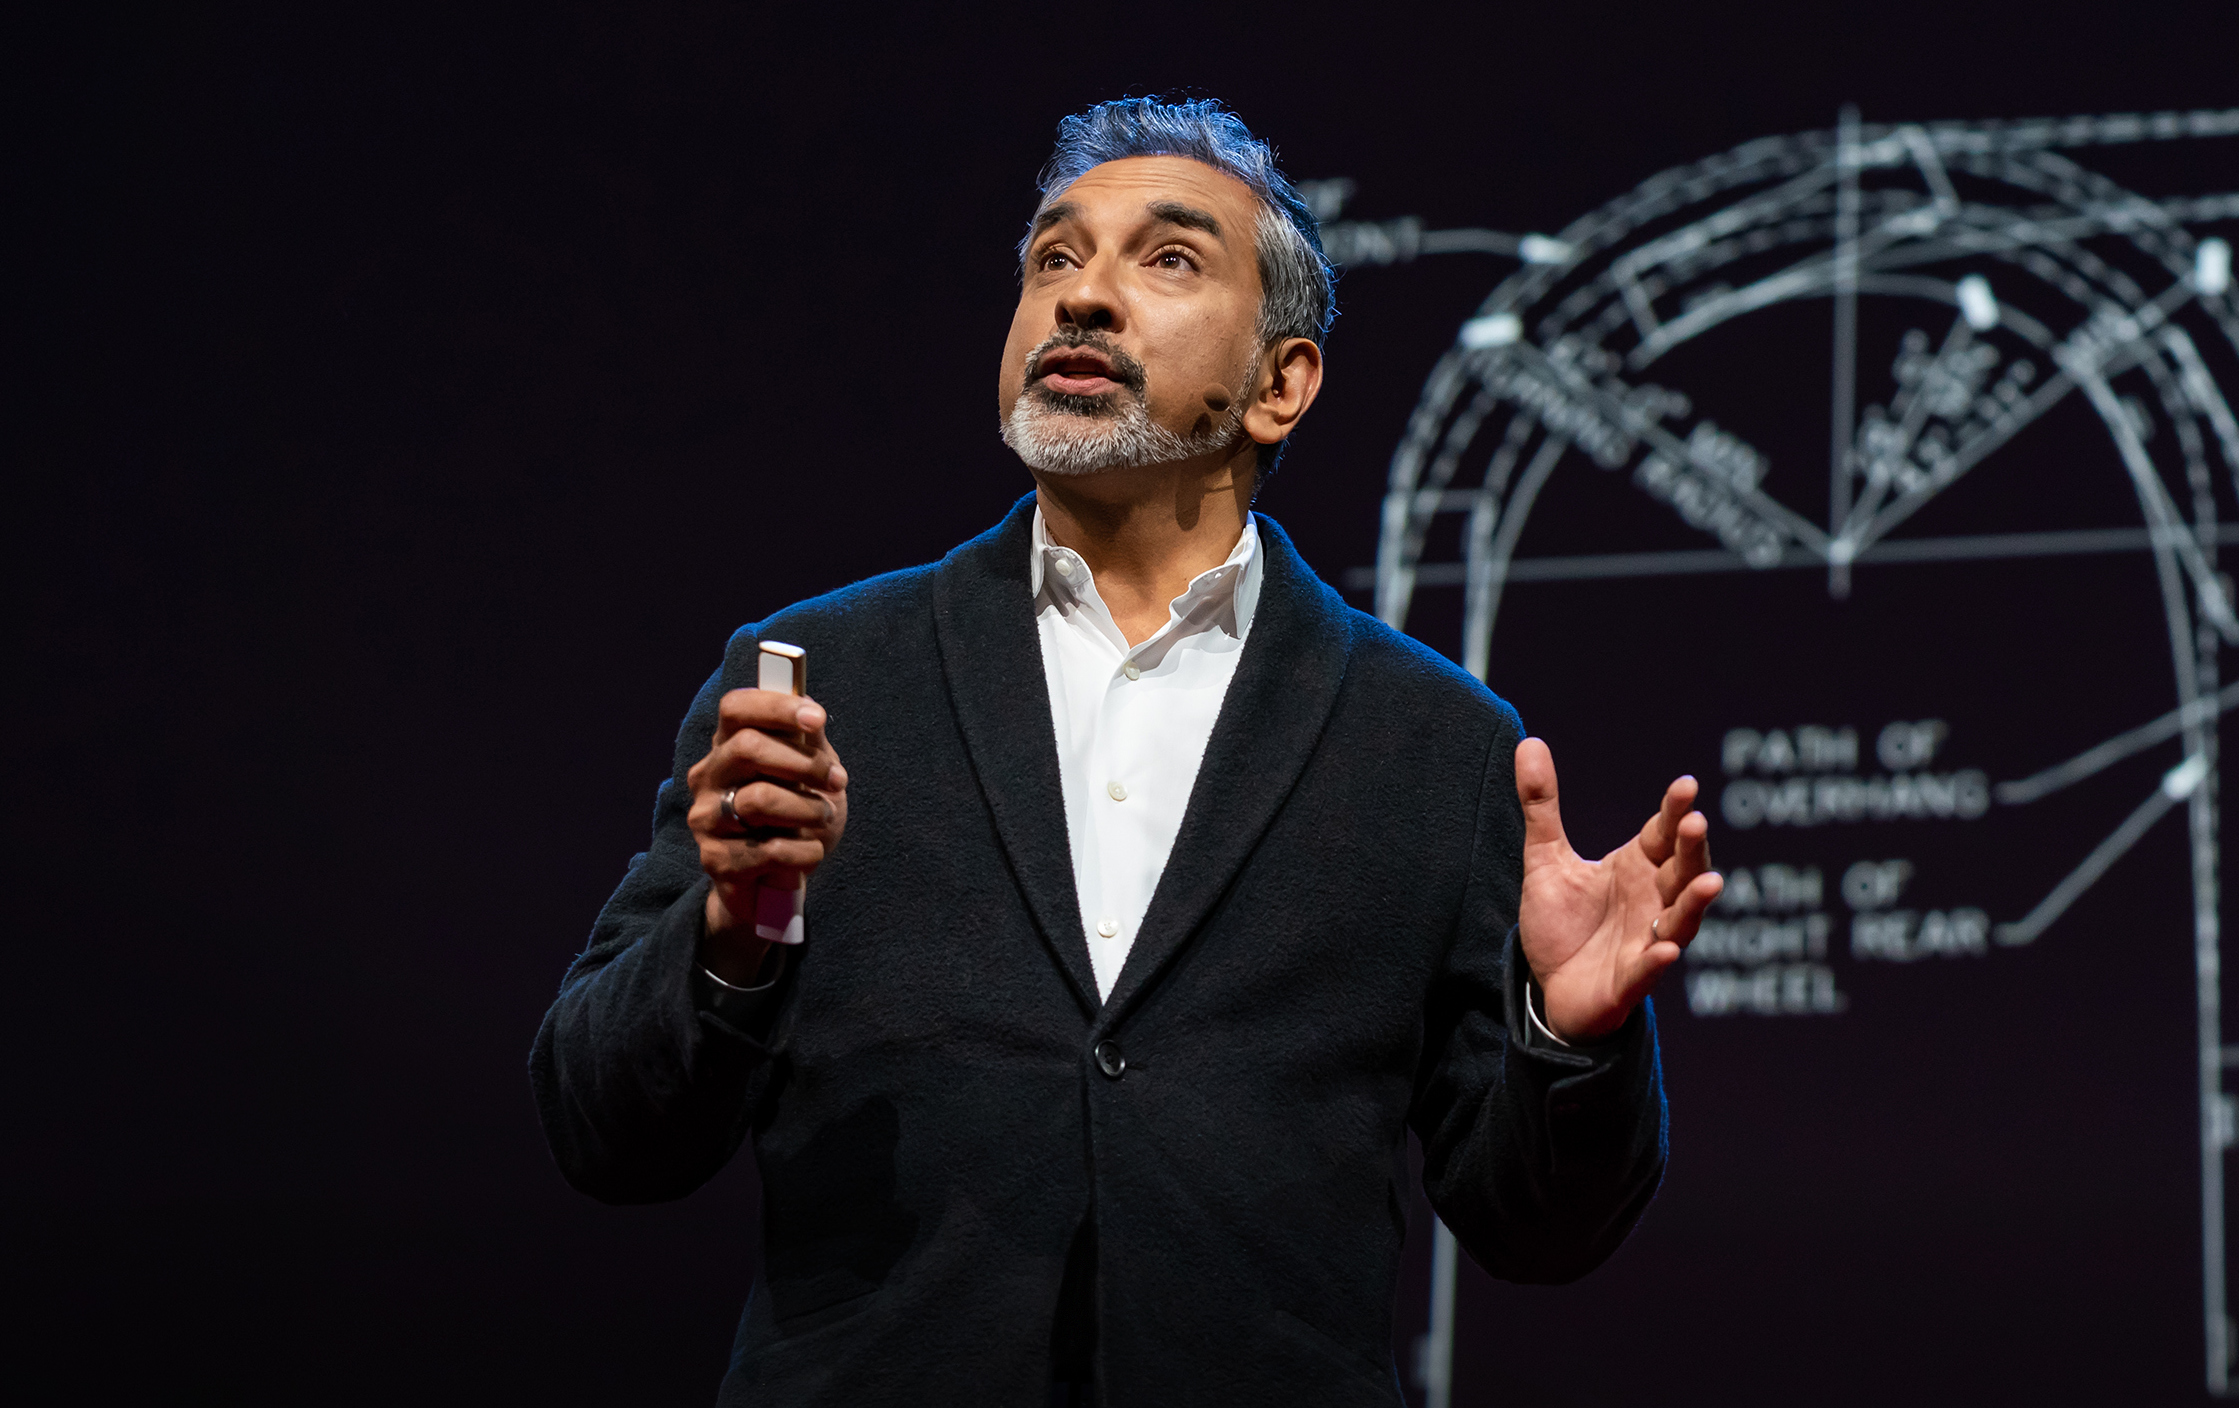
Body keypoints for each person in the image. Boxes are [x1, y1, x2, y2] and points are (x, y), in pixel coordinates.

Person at [530, 96, 1723, 1407]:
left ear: (1282, 383)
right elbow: (602, 1127)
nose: (1083, 298)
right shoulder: (817, 682)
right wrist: (731, 934)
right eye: (1054, 258)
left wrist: (1568, 1033)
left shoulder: (1436, 744)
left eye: (1167, 260)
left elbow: (1536, 1229)